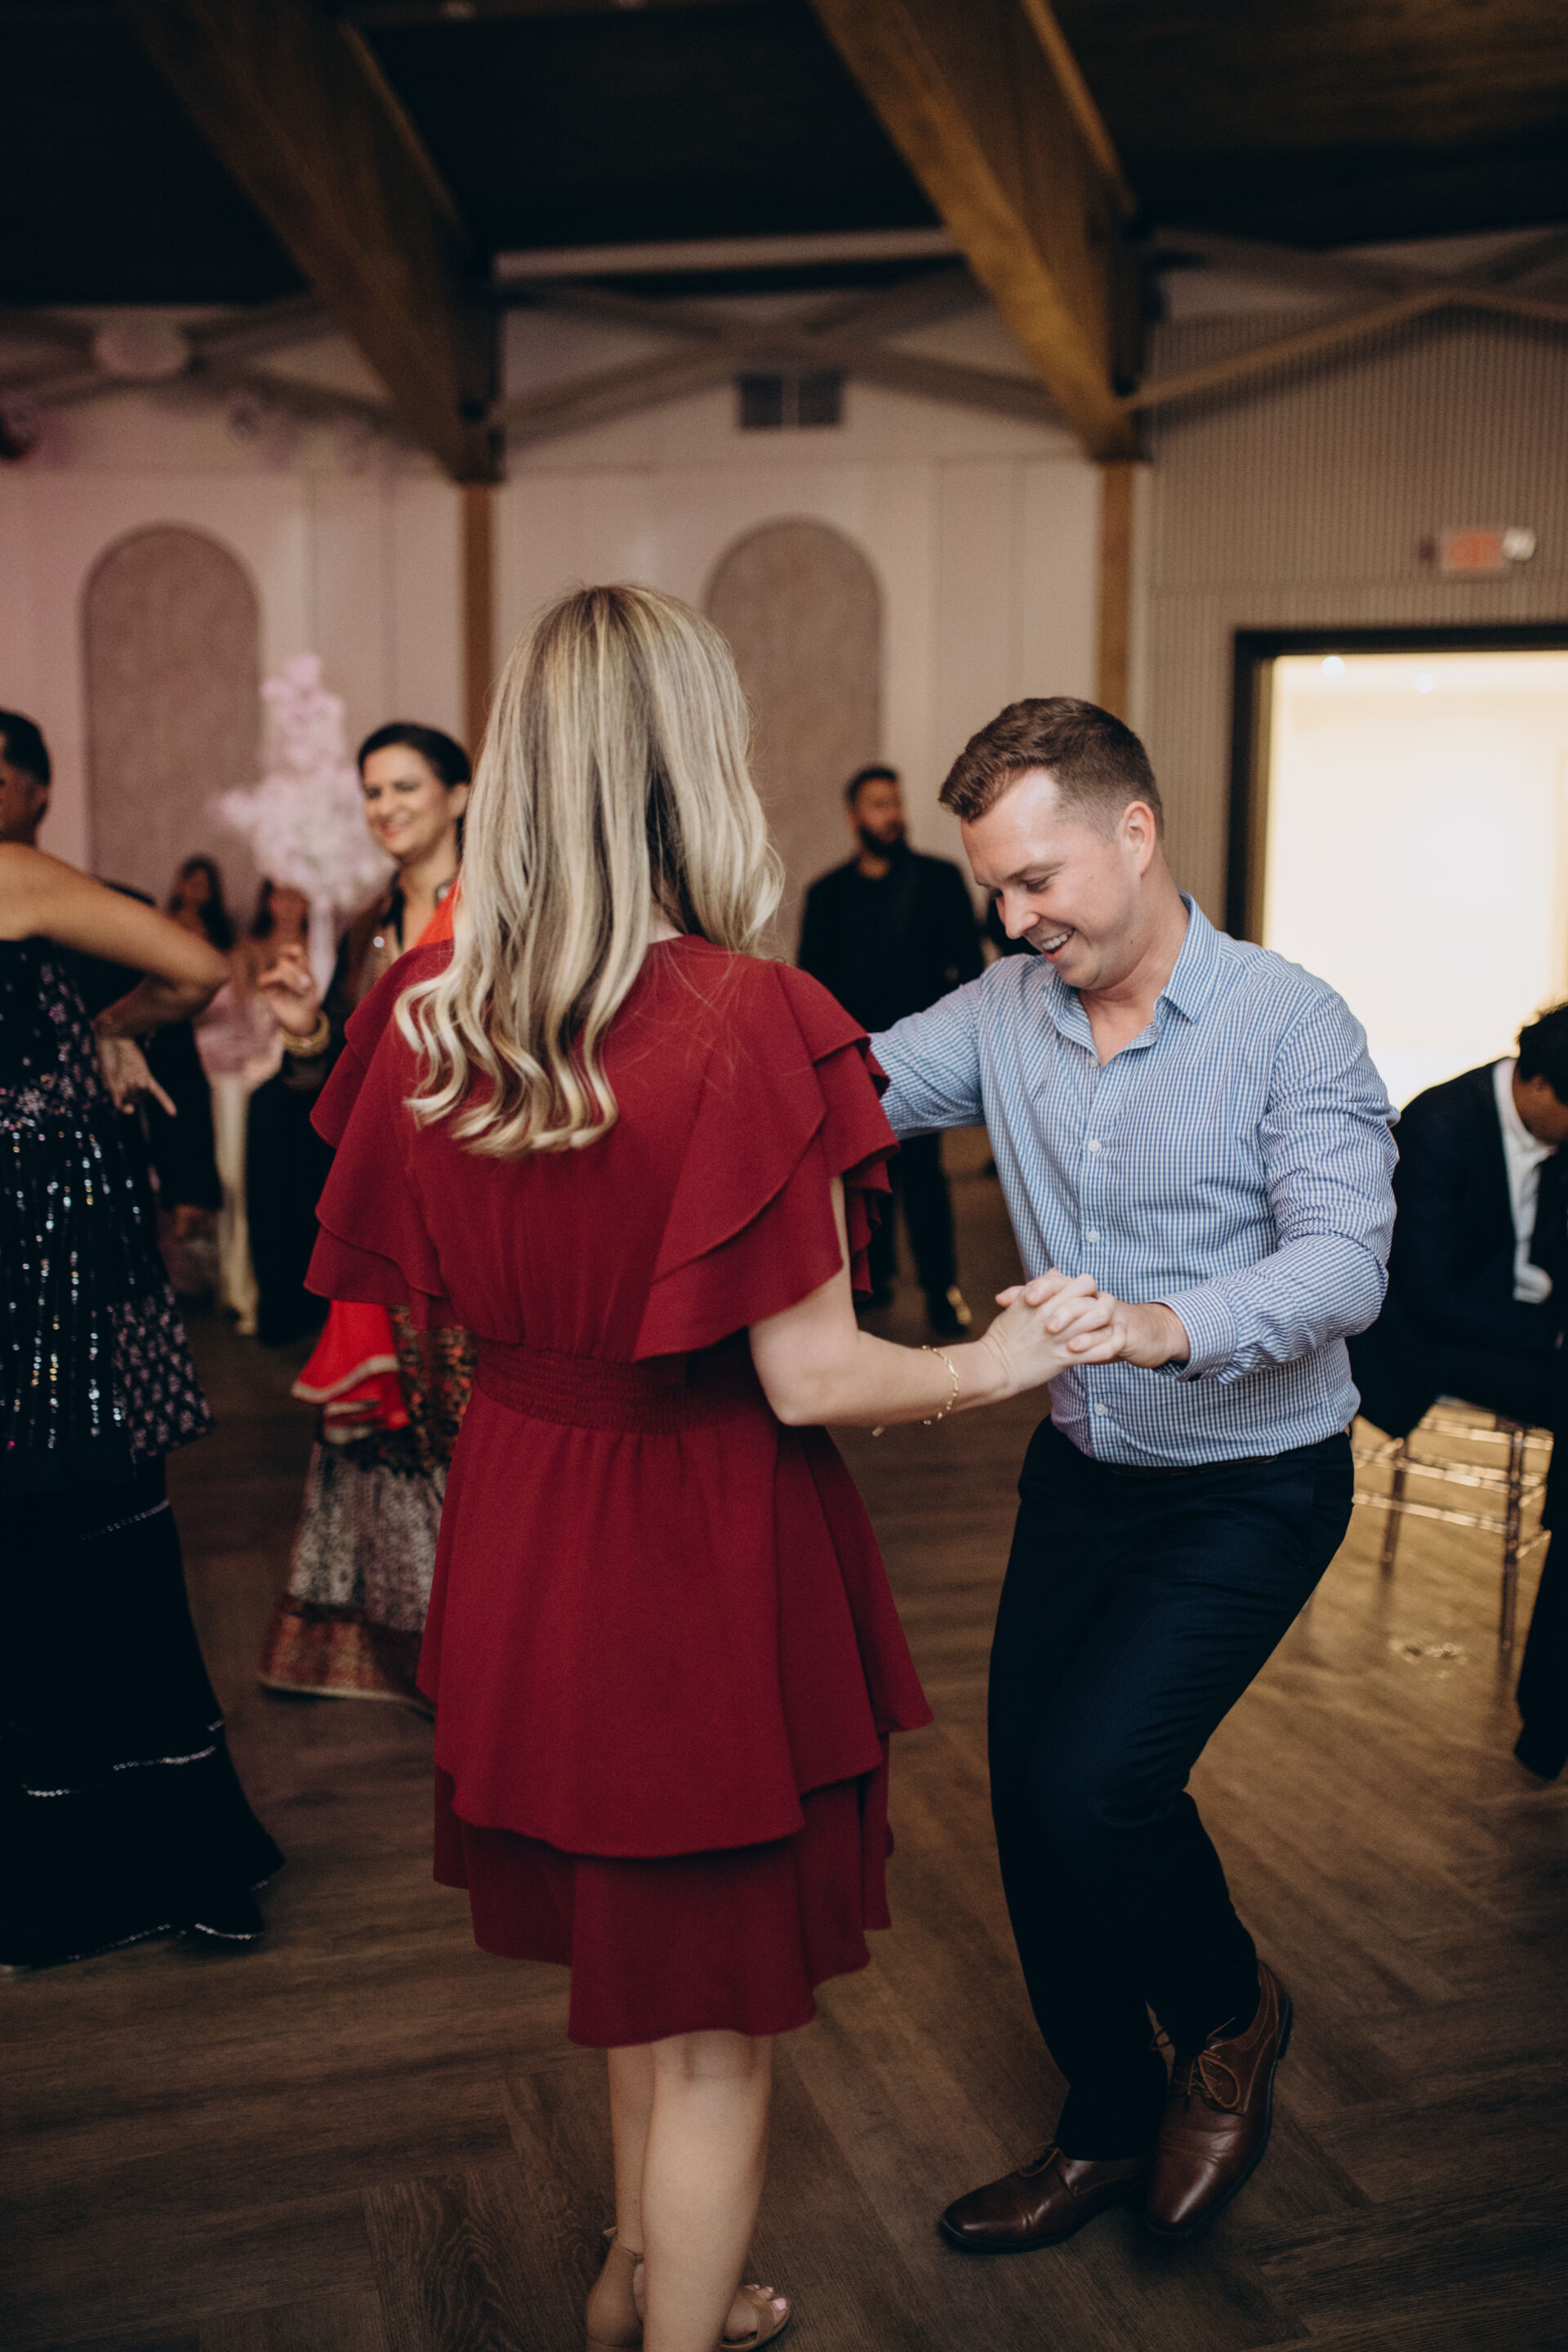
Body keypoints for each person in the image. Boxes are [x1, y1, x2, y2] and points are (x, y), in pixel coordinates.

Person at [304, 590, 1116, 2352]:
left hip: (526, 1520)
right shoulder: (746, 1016)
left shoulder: (432, 1007)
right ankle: (675, 2321)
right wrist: (1003, 1358)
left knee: (639, 1977)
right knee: (713, 2031)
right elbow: (810, 1377)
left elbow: (412, 1302)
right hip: (689, 1547)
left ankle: (636, 2280)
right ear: (697, 766)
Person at [869, 696, 1396, 2250]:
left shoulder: (1291, 1022)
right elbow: (833, 1091)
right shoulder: (1002, 1007)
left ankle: (1230, 2016)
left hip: (1254, 1482)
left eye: (1038, 881)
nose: (1016, 921)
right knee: (1031, 1815)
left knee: (1098, 1783)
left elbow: (1346, 1265)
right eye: (997, 892)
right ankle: (1102, 2122)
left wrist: (1166, 1325)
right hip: (1085, 1476)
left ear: (1137, 832)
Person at [0, 713, 283, 1969]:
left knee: (82, 1532)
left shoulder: (10, 876)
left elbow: (194, 967)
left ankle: (121, 1855)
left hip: (44, 1256)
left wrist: (112, 1027)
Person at [254, 724, 476, 1708]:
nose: (385, 808)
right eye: (373, 792)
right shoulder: (362, 932)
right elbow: (343, 1092)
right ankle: (420, 1650)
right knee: (401, 1436)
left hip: (478, 1211)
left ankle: (497, 1653)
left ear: (459, 796)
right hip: (388, 1213)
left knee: (477, 1430)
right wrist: (306, 1033)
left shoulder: (505, 909)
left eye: (405, 787)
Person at [1348, 1004, 1568, 1780]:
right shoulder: (1441, 1125)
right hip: (1434, 1343)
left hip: (1521, 1325)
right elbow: (1428, 1293)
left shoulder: (1553, 1129)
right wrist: (1551, 1335)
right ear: (1539, 1086)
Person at [798, 764, 982, 1337]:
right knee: (861, 1175)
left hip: (925, 1057)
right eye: (878, 805)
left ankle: (942, 1289)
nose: (892, 815)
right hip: (853, 1062)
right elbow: (812, 987)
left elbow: (971, 972)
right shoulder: (826, 894)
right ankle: (871, 1284)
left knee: (925, 1176)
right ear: (854, 817)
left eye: (896, 803)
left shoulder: (939, 880)